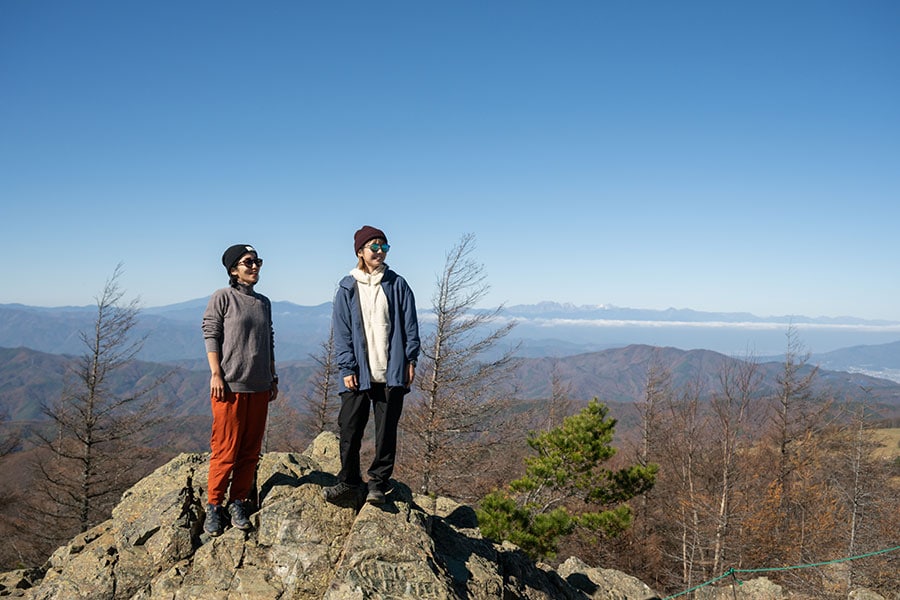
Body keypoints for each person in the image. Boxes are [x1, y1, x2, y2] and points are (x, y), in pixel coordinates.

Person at [324, 225, 420, 505]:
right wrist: (347, 368)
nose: (379, 251)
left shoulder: (397, 284)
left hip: (392, 370)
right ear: (360, 252)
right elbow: (341, 332)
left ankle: (378, 482)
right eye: (373, 247)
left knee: (386, 430)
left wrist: (411, 359)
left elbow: (410, 325)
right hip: (358, 371)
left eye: (383, 247)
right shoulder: (347, 287)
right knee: (350, 427)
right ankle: (350, 481)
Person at [201, 244, 278, 535]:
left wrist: (273, 376)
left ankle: (238, 500)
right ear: (234, 269)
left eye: (258, 261)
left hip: (259, 386)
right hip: (230, 386)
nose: (255, 266)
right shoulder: (223, 297)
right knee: (225, 449)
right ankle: (214, 505)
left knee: (249, 451)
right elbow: (211, 333)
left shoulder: (263, 302)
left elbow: (268, 339)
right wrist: (216, 374)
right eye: (248, 262)